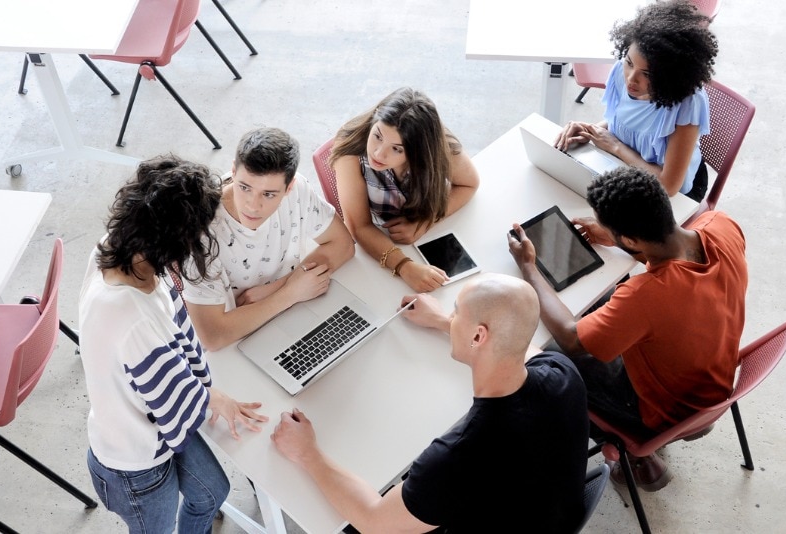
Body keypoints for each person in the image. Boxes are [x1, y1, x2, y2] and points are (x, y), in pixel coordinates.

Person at [271, 274, 590, 533]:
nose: (451, 317)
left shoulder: (457, 456)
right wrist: (441, 320)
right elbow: (516, 344)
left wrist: (307, 453)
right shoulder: (563, 372)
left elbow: (373, 519)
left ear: (479, 336)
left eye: (456, 312)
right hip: (546, 514)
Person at [508, 167, 748, 491]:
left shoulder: (645, 295)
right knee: (605, 308)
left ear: (632, 238)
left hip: (660, 412)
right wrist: (621, 241)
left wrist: (528, 267)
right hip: (712, 378)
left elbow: (569, 335)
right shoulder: (722, 225)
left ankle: (633, 454)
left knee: (541, 357)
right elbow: (672, 264)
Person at [79, 156, 269, 533]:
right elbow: (177, 405)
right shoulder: (131, 318)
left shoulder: (120, 247)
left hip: (149, 427)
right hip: (136, 466)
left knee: (212, 492)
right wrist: (219, 399)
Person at [183, 127, 355, 351]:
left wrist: (276, 288)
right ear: (233, 172)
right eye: (244, 187)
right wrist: (289, 294)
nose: (253, 205)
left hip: (292, 312)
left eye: (269, 194)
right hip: (238, 342)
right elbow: (213, 337)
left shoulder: (298, 191)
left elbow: (343, 244)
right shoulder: (201, 233)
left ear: (289, 187)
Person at [555, 0, 718, 201]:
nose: (631, 79)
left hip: (673, 194)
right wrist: (589, 131)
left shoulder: (688, 103)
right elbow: (624, 121)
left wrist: (615, 146)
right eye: (630, 63)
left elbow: (669, 186)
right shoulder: (620, 70)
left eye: (647, 73)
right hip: (626, 166)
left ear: (671, 76)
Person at [329, 87, 480, 292]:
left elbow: (469, 183)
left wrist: (426, 221)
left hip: (427, 234)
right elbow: (359, 226)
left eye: (397, 148)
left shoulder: (436, 146)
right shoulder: (351, 150)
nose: (378, 153)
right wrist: (404, 266)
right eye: (378, 136)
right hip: (381, 237)